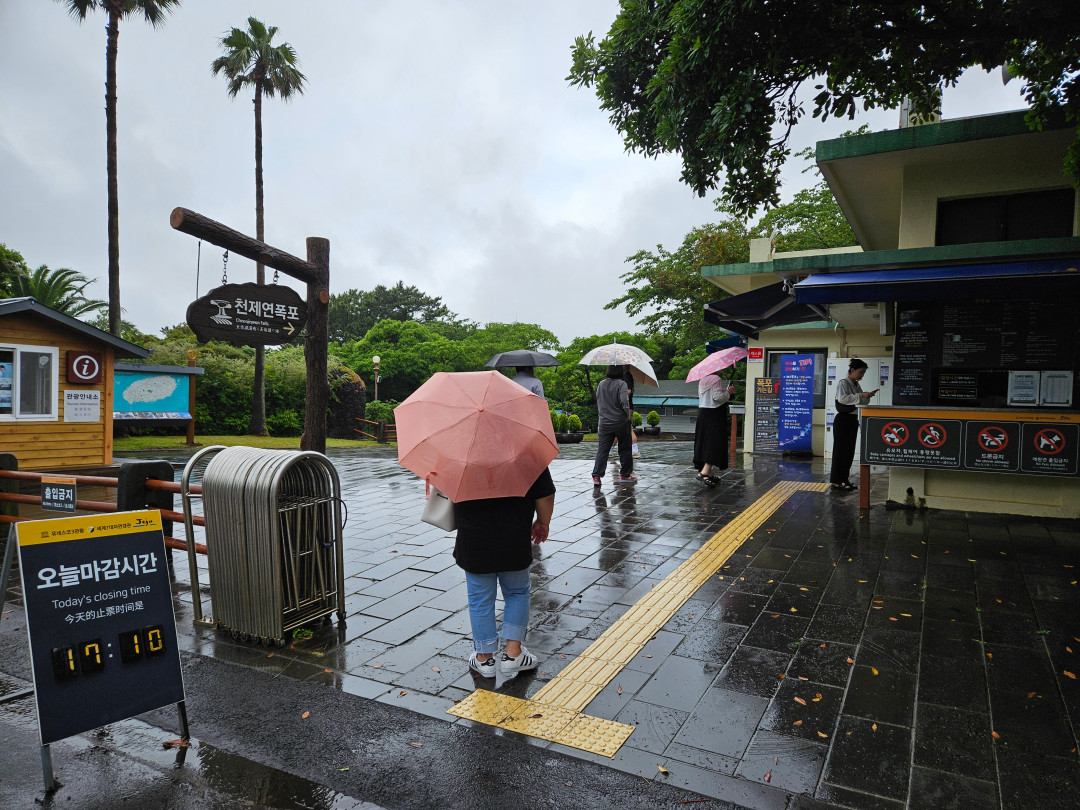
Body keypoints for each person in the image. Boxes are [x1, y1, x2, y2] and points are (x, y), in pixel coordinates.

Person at [453, 467, 555, 678]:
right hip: (514, 536)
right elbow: (545, 492)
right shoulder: (525, 451)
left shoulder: (459, 454)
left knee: (480, 599)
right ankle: (513, 654)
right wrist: (543, 521)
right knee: (517, 592)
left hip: (474, 539)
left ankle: (484, 658)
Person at [830, 358, 877, 492]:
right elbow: (842, 399)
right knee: (840, 451)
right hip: (843, 419)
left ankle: (844, 479)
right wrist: (861, 394)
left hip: (852, 419)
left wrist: (867, 396)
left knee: (849, 451)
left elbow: (861, 401)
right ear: (852, 370)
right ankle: (835, 480)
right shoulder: (843, 383)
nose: (861, 375)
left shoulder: (855, 384)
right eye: (860, 372)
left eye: (863, 373)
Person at [591, 365, 636, 485]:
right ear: (620, 371)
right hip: (620, 422)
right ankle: (625, 474)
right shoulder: (622, 384)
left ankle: (597, 476)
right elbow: (625, 402)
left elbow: (598, 399)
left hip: (604, 423)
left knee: (603, 450)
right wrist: (628, 416)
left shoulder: (601, 384)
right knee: (625, 448)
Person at [693, 371, 735, 487]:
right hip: (714, 414)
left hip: (702, 413)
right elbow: (718, 398)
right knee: (713, 443)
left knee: (704, 442)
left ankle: (709, 473)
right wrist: (728, 392)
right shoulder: (716, 379)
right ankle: (704, 472)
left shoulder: (702, 379)